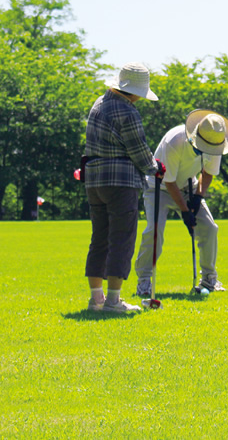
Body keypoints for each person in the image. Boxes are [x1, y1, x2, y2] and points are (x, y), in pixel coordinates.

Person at [84, 62, 165, 312]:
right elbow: (139, 152)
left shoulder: (99, 103)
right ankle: (113, 300)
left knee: (99, 238)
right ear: (134, 92)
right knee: (122, 238)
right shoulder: (127, 111)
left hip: (94, 181)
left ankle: (96, 298)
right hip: (120, 182)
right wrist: (155, 167)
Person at [135, 109, 228, 295]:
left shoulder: (215, 142)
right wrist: (185, 211)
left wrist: (198, 197)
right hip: (159, 186)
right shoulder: (174, 141)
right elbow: (169, 181)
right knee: (154, 231)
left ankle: (209, 278)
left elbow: (208, 173)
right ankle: (144, 281)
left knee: (209, 228)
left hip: (189, 186)